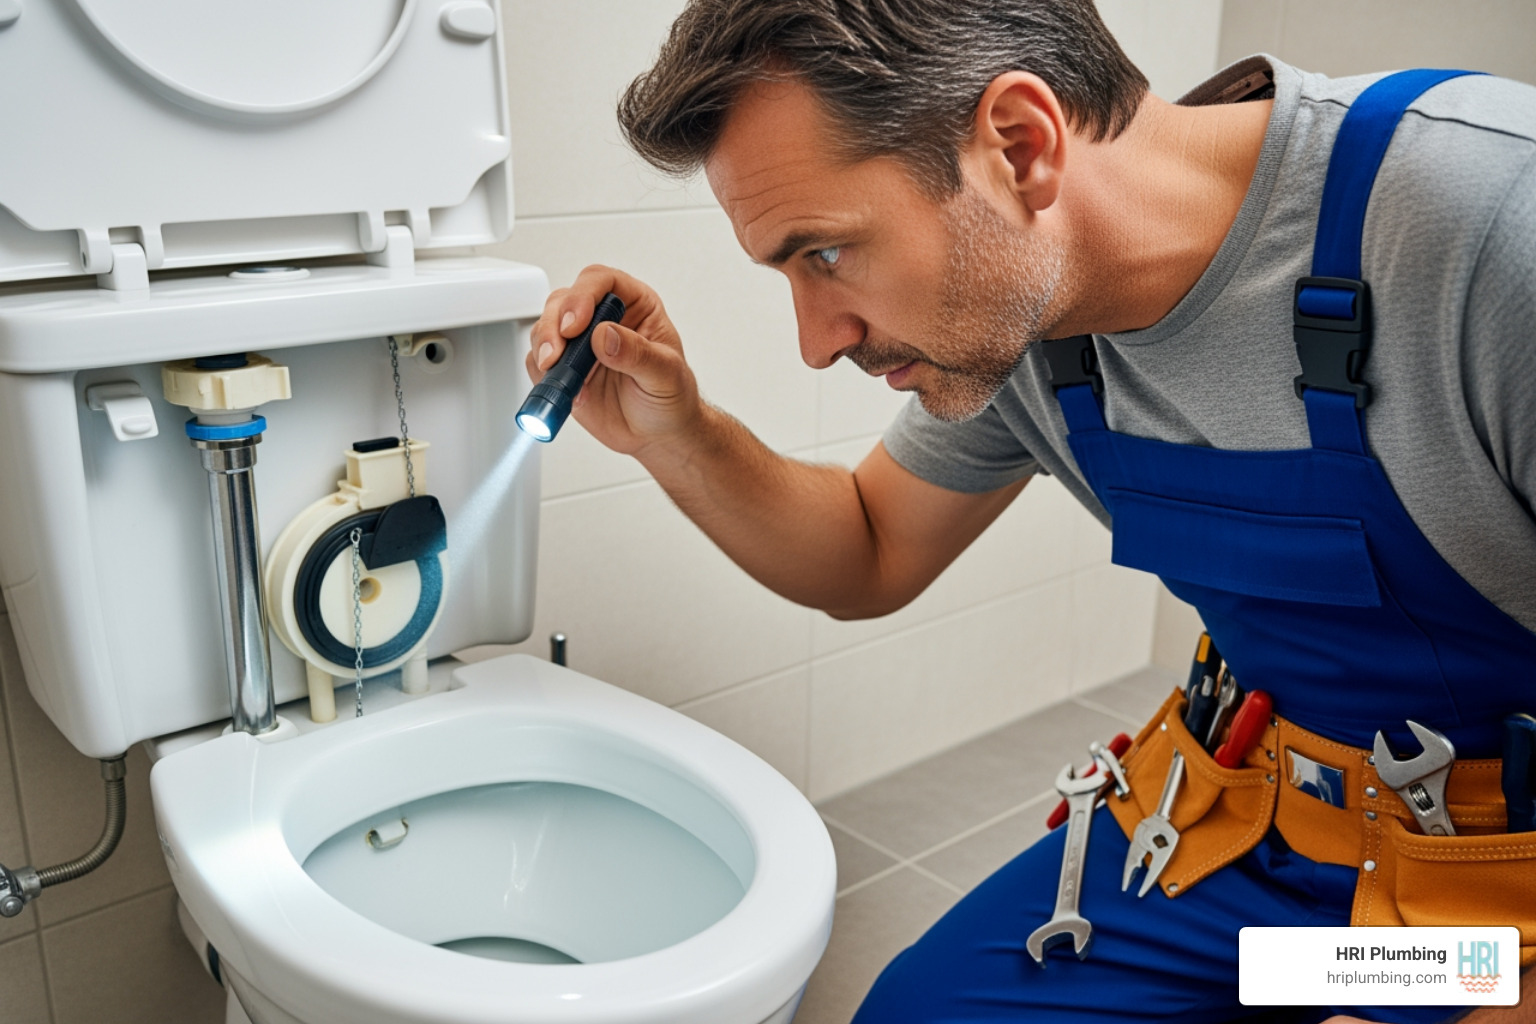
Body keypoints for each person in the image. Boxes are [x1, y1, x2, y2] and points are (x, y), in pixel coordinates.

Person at [528, 1, 1536, 1020]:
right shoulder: (1027, 315)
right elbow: (868, 548)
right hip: (1249, 846)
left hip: (1488, 915)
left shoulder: (1492, 226)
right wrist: (677, 430)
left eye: (824, 253)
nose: (818, 340)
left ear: (1019, 145)